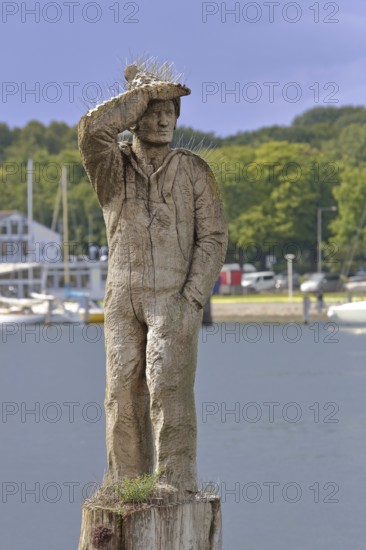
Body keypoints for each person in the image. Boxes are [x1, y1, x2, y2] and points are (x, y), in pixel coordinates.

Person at [78, 62, 228, 493]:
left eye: (170, 111)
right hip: (122, 298)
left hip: (173, 297)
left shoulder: (194, 171)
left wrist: (193, 298)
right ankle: (125, 481)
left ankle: (175, 481)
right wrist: (141, 92)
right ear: (134, 118)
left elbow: (213, 238)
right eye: (153, 111)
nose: (163, 119)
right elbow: (92, 131)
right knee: (122, 390)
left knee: (168, 386)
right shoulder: (112, 170)